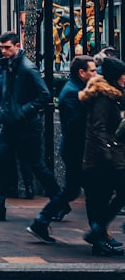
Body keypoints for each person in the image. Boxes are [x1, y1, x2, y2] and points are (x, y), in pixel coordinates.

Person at [0, 31, 61, 222]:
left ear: (17, 45)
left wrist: (23, 112)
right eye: (1, 48)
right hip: (9, 124)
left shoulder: (27, 68)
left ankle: (59, 202)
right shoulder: (9, 66)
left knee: (36, 165)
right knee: (0, 164)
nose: (4, 51)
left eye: (7, 47)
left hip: (26, 125)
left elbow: (44, 95)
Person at [27, 55, 97, 243]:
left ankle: (41, 221)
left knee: (72, 190)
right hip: (76, 150)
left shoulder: (78, 89)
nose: (95, 74)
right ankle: (97, 232)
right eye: (93, 70)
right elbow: (75, 125)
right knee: (88, 190)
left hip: (75, 149)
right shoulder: (73, 93)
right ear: (82, 73)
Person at [79, 57, 125, 255]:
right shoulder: (104, 98)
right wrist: (107, 153)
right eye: (123, 75)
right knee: (105, 196)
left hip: (108, 155)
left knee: (105, 196)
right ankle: (97, 233)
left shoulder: (112, 95)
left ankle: (98, 232)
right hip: (103, 158)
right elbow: (98, 129)